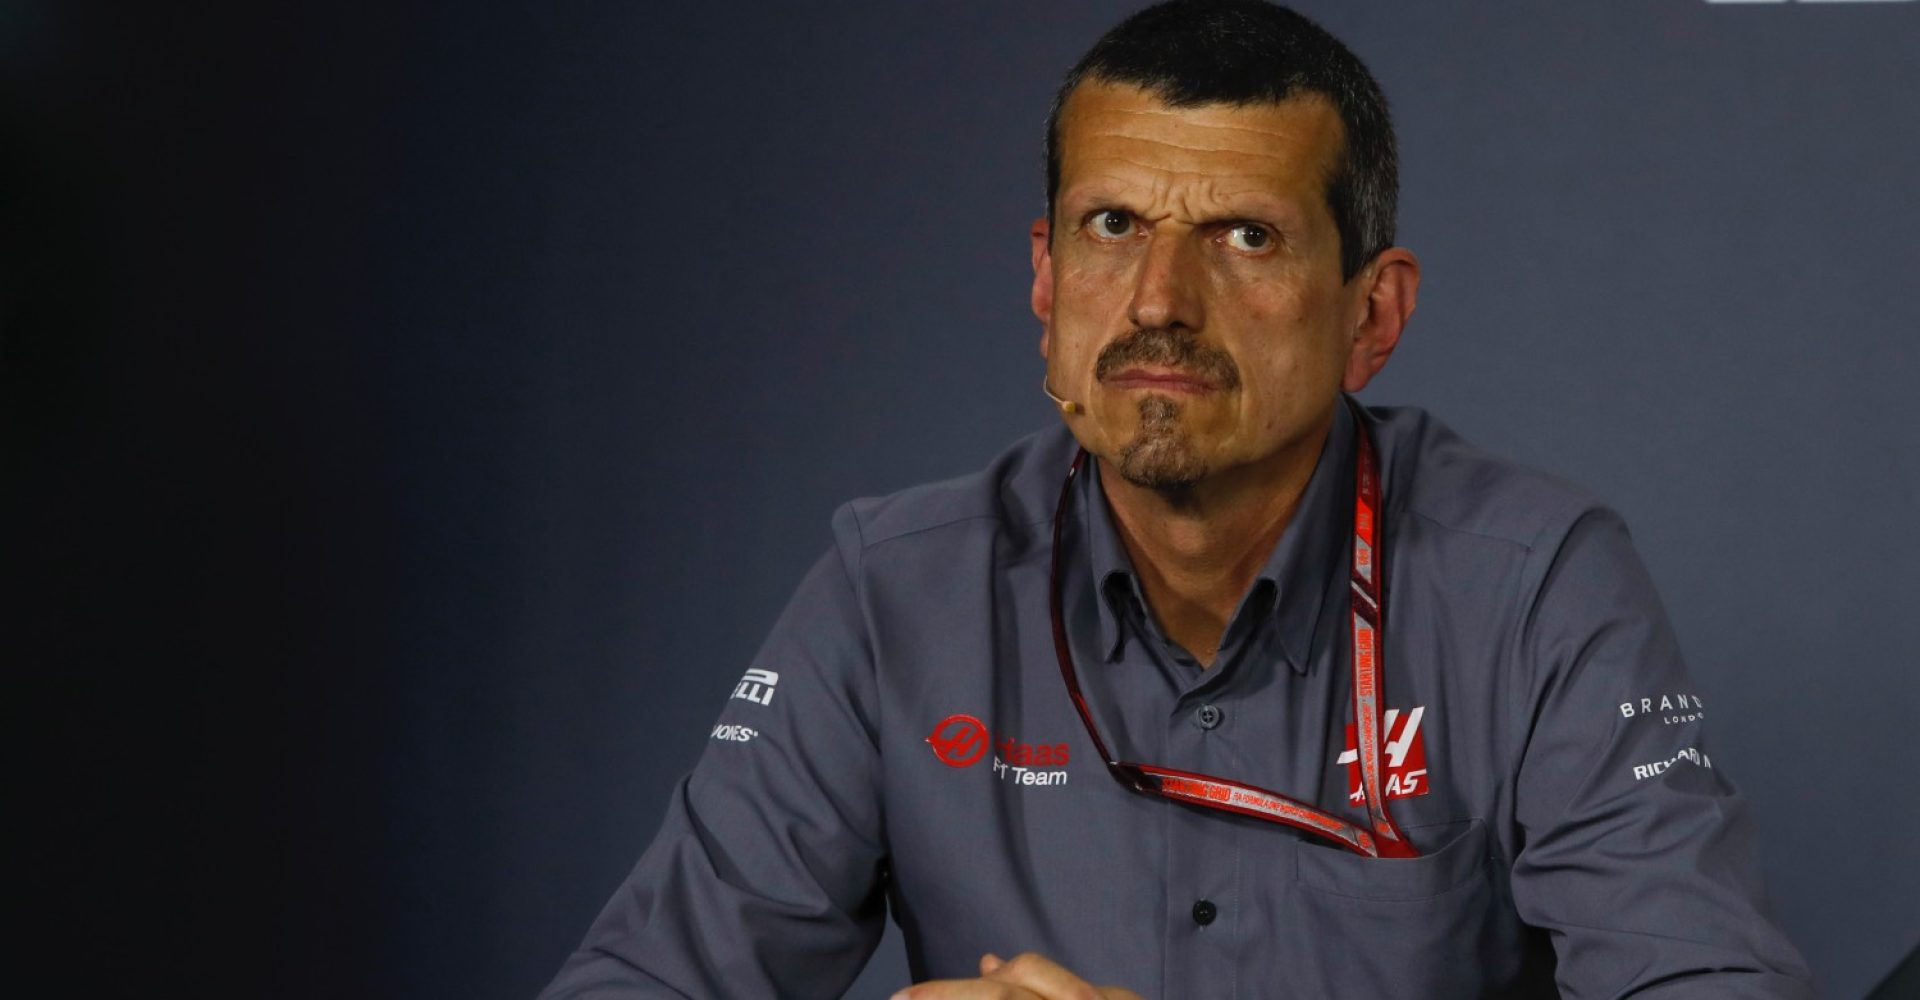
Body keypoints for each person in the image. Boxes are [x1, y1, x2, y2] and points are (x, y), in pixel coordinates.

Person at [544, 2, 1817, 997]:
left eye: (1243, 237)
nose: (1158, 297)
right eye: (1110, 224)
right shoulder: (895, 593)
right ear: (1045, 280)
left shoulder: (1532, 581)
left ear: (1372, 315)